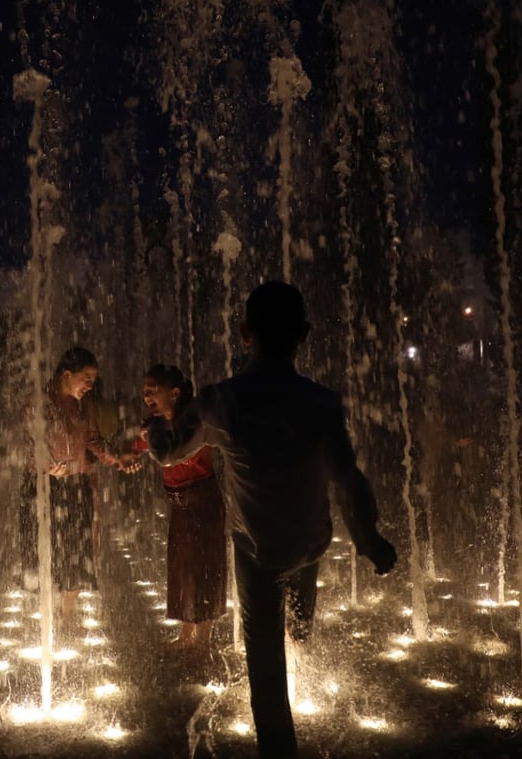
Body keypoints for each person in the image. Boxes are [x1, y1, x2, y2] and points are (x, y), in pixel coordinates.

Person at [147, 282, 397, 759]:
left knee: (265, 664)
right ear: (303, 334)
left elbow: (167, 452)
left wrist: (156, 423)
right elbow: (348, 479)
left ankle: (279, 748)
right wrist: (369, 540)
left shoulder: (224, 400)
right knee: (300, 609)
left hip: (257, 551)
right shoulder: (321, 403)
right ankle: (300, 629)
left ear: (244, 334)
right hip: (310, 544)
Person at [125, 364, 226, 657]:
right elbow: (137, 448)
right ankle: (187, 633)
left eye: (152, 390)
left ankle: (203, 640)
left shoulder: (191, 422)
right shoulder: (153, 426)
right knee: (182, 568)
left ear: (175, 393)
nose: (146, 396)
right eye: (144, 391)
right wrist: (124, 457)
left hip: (202, 502)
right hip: (179, 505)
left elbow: (171, 453)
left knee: (205, 568)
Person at [22, 347, 121, 620]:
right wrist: (45, 465)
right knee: (47, 546)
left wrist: (117, 457)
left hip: (77, 485)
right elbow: (30, 443)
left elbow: (93, 441)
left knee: (77, 547)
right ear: (67, 375)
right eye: (86, 376)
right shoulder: (39, 403)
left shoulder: (83, 406)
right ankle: (47, 613)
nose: (90, 383)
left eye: (93, 378)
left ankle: (68, 613)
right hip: (43, 488)